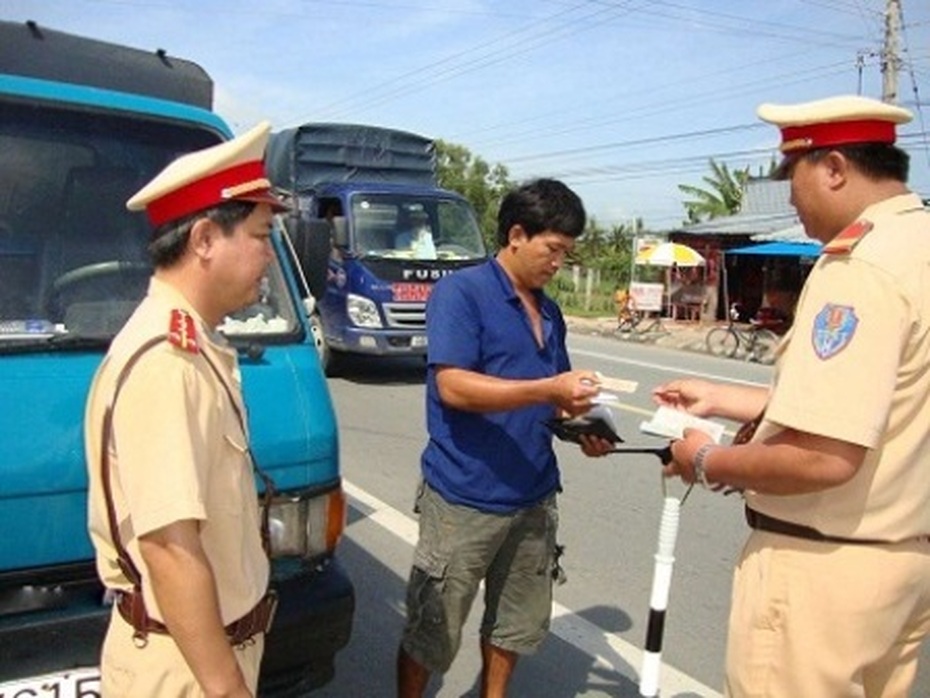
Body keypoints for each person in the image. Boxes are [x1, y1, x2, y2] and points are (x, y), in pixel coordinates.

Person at [654, 95, 930, 697]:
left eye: (793, 178)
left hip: (823, 573)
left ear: (833, 168)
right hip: (903, 566)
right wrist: (722, 397)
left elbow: (824, 455)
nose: (792, 201)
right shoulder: (919, 246)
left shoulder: (861, 267)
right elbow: (878, 399)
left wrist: (703, 458)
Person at [84, 122, 288, 698]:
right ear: (204, 239)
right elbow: (170, 550)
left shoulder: (192, 344)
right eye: (260, 234)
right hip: (189, 673)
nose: (269, 257)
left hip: (200, 658)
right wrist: (227, 689)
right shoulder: (167, 362)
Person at [396, 178, 615, 698]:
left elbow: (550, 399)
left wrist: (579, 425)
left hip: (533, 497)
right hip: (463, 498)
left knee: (513, 625)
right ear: (517, 234)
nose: (559, 262)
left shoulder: (550, 312)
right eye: (553, 249)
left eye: (566, 252)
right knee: (433, 630)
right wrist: (549, 387)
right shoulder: (461, 292)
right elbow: (452, 386)